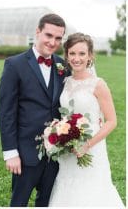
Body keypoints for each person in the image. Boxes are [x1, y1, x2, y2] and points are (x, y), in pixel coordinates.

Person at [0, 14, 68, 207]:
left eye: (58, 38)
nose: (53, 42)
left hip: (55, 152)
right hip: (25, 152)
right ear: (37, 32)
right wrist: (11, 153)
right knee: (19, 202)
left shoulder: (63, 66)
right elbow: (6, 112)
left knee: (46, 202)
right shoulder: (14, 64)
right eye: (48, 35)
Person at [49, 33, 124, 207]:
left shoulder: (98, 84)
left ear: (90, 55)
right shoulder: (64, 82)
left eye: (82, 54)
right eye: (72, 53)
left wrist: (87, 145)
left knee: (91, 193)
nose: (77, 58)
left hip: (92, 148)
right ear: (66, 55)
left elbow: (112, 121)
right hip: (68, 151)